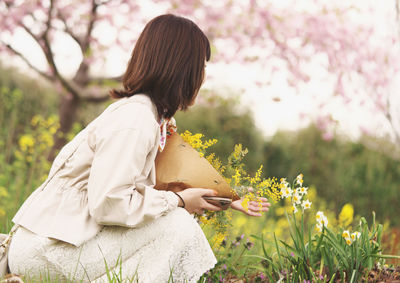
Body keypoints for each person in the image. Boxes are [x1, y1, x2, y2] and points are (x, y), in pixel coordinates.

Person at [7, 14, 270, 282]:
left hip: (58, 243)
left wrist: (226, 197)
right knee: (177, 226)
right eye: (200, 66)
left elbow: (163, 182)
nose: (202, 77)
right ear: (182, 68)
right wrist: (179, 201)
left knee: (173, 220)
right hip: (46, 250)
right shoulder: (135, 120)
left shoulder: (151, 118)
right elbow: (109, 203)